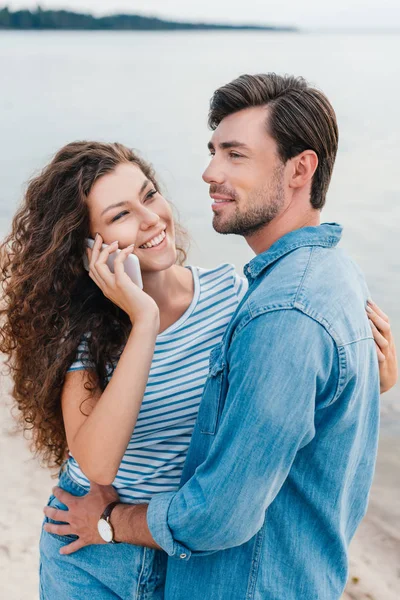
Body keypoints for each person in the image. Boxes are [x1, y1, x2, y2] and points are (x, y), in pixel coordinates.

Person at [39, 74, 397, 600]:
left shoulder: (241, 296)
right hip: (92, 549)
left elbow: (293, 392)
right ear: (89, 247)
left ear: (301, 169)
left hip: (173, 546)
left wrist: (371, 379)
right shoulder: (93, 333)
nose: (149, 219)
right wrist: (142, 321)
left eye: (149, 196)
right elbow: (96, 464)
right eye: (119, 215)